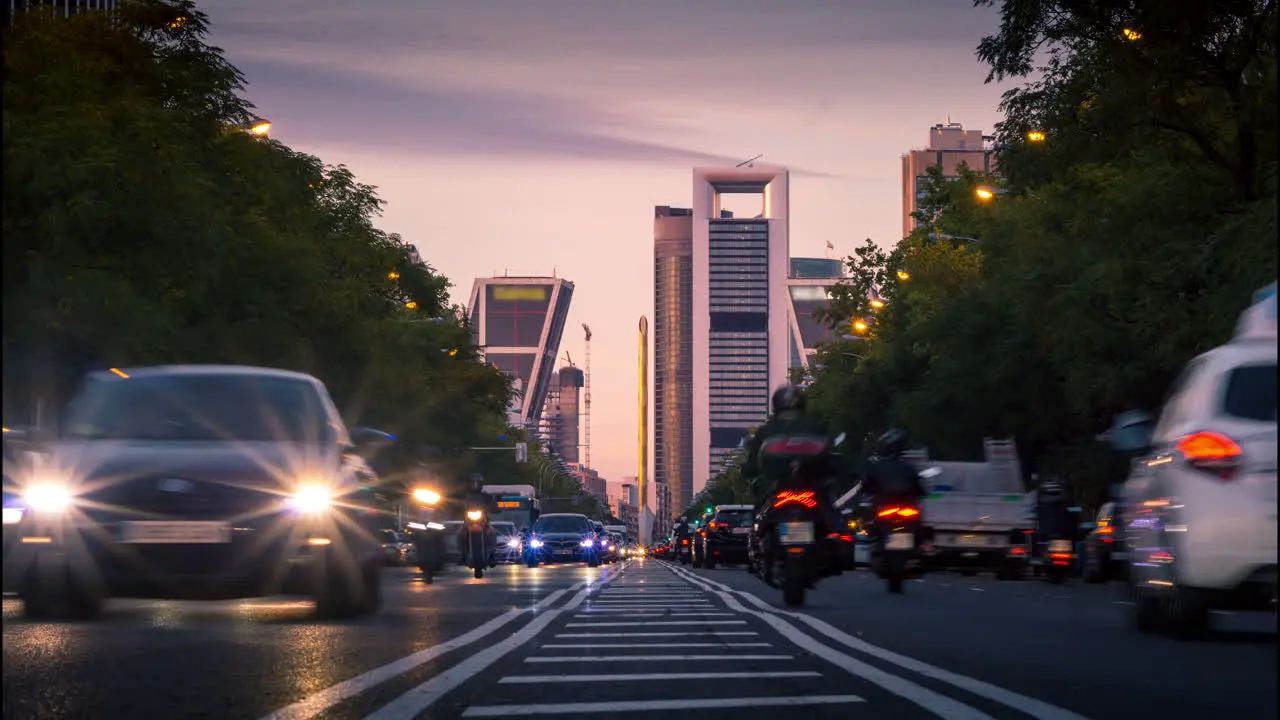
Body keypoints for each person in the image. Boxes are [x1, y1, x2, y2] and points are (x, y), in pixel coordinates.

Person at [742, 384, 842, 564]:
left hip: (778, 490)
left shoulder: (766, 430)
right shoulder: (814, 426)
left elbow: (751, 465)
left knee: (760, 501)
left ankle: (758, 539)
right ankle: (833, 538)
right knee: (829, 508)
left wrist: (749, 470)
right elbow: (831, 459)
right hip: (810, 489)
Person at [862, 428, 927, 512]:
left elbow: (867, 488)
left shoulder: (877, 467)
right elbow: (919, 490)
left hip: (888, 508)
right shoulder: (907, 467)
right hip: (903, 509)